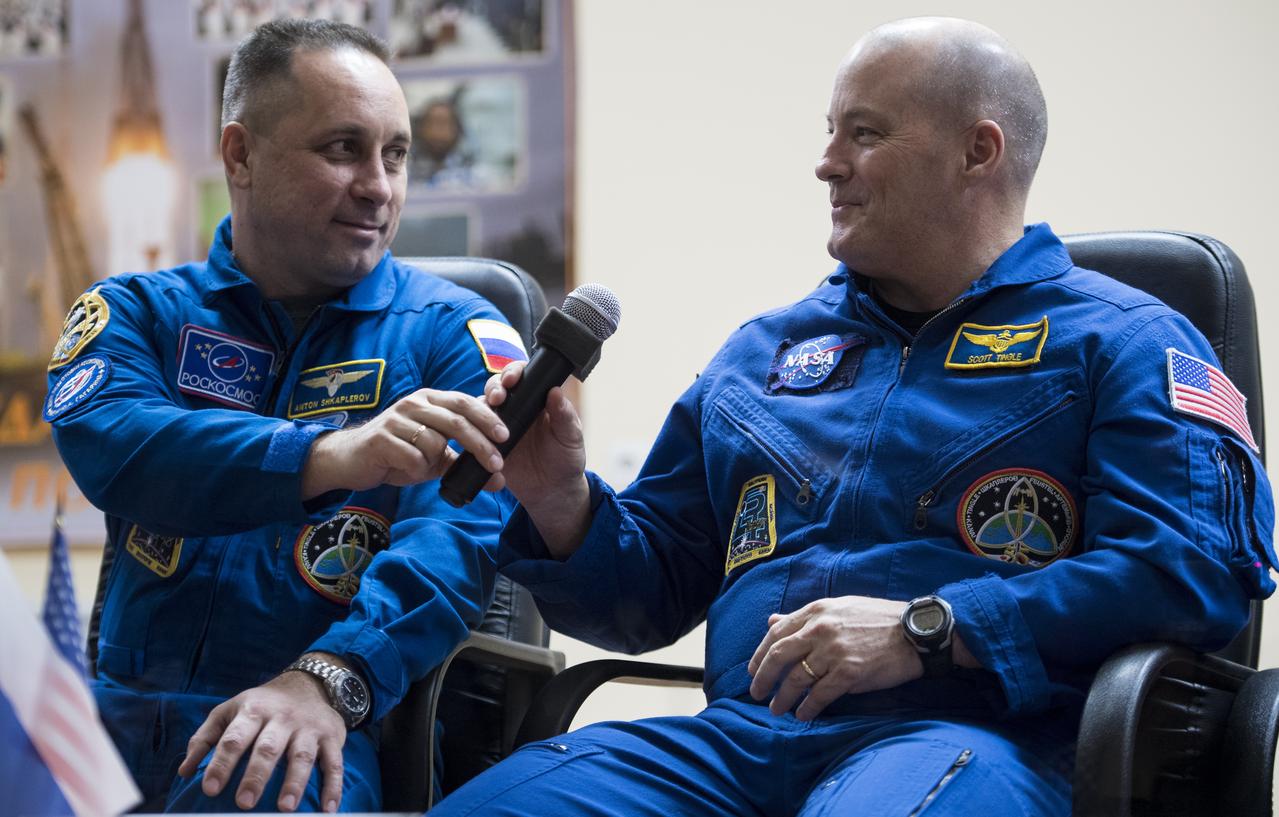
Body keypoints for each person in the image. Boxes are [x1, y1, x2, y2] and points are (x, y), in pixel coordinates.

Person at [431, 16, 1277, 817]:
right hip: (740, 745)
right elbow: (644, 600)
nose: (826, 164)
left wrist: (931, 629)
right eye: (829, 131)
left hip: (982, 743)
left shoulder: (1124, 341)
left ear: (976, 152)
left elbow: (1187, 572)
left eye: (863, 134)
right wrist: (559, 502)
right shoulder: (762, 353)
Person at [43, 18, 521, 814]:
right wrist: (329, 456)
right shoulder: (133, 313)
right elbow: (119, 446)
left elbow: (459, 541)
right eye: (342, 148)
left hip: (317, 720)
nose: (379, 185)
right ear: (241, 155)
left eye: (396, 154)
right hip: (110, 721)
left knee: (263, 781)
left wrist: (328, 678)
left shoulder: (457, 336)